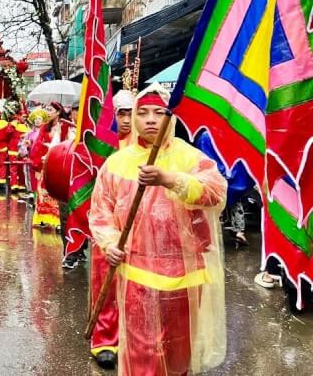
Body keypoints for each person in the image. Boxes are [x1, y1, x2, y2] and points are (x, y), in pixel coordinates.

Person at [88, 83, 227, 376]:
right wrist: (111, 243)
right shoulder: (116, 164)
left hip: (185, 278)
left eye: (160, 112)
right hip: (138, 276)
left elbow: (216, 192)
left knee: (178, 351)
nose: (151, 119)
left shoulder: (190, 158)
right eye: (143, 112)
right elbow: (101, 212)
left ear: (171, 117)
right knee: (140, 351)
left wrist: (170, 179)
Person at [87, 89, 136, 369]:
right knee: (106, 280)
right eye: (122, 113)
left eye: (133, 112)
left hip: (140, 227)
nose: (128, 120)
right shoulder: (103, 143)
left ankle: (133, 338)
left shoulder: (147, 145)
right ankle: (105, 337)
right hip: (107, 223)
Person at [29, 103, 69, 230]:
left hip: (59, 163)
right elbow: (37, 146)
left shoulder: (66, 127)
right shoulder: (44, 128)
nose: (48, 113)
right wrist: (36, 165)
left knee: (56, 191)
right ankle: (42, 218)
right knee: (43, 190)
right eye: (47, 110)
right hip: (45, 163)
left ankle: (57, 220)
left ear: (58, 112)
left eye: (51, 110)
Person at [20, 108, 48, 202]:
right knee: (32, 178)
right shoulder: (29, 133)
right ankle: (34, 196)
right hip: (32, 160)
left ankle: (42, 197)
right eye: (35, 119)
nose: (37, 120)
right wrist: (26, 151)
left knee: (43, 178)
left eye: (39, 118)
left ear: (43, 120)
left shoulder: (46, 133)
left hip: (43, 160)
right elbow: (22, 145)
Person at [7, 111, 30, 196]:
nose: (25, 118)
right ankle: (14, 185)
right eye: (23, 116)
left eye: (25, 117)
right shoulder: (13, 124)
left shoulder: (27, 126)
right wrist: (13, 125)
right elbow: (8, 132)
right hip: (13, 149)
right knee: (13, 168)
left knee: (21, 168)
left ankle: (21, 185)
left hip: (23, 150)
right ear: (19, 116)